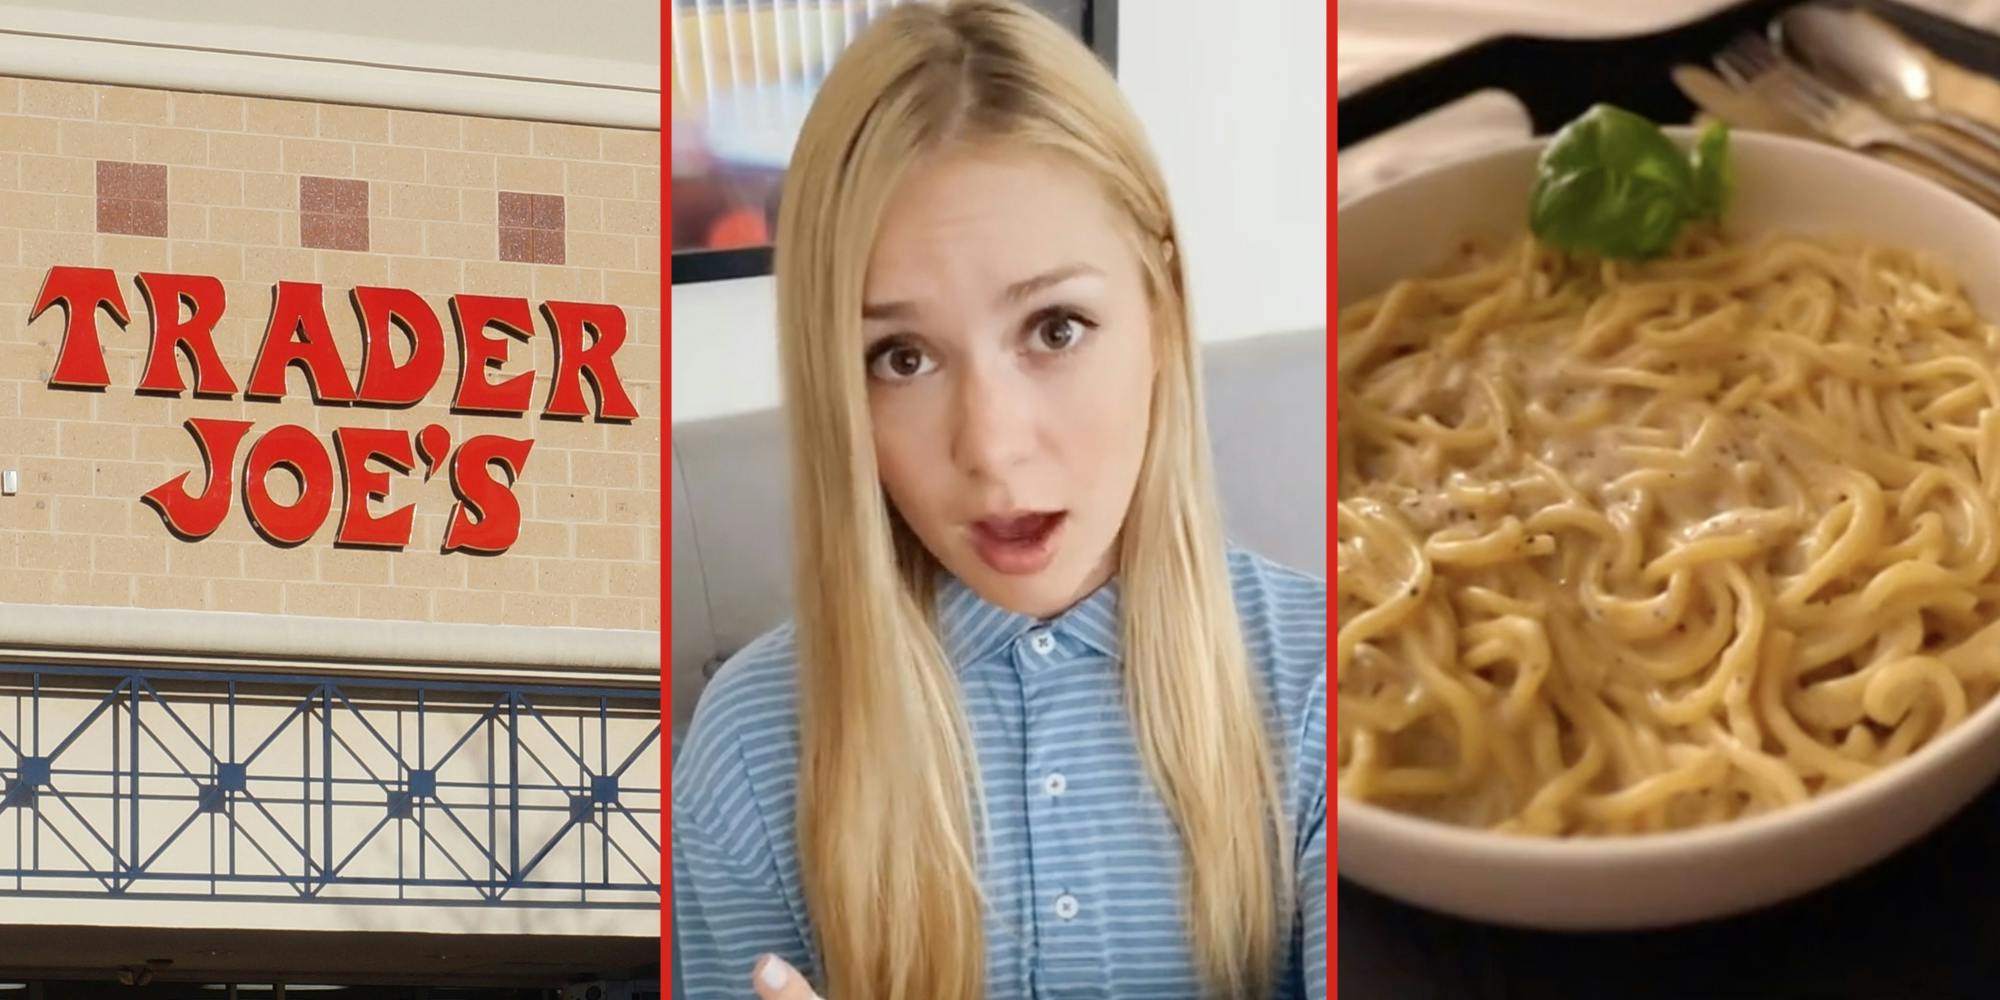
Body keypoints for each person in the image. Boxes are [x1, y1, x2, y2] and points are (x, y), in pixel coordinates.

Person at [671, 2, 1327, 997]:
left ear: (1160, 304)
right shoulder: (750, 750)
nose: (988, 446)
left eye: (1055, 329)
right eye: (900, 357)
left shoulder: (1331, 684)